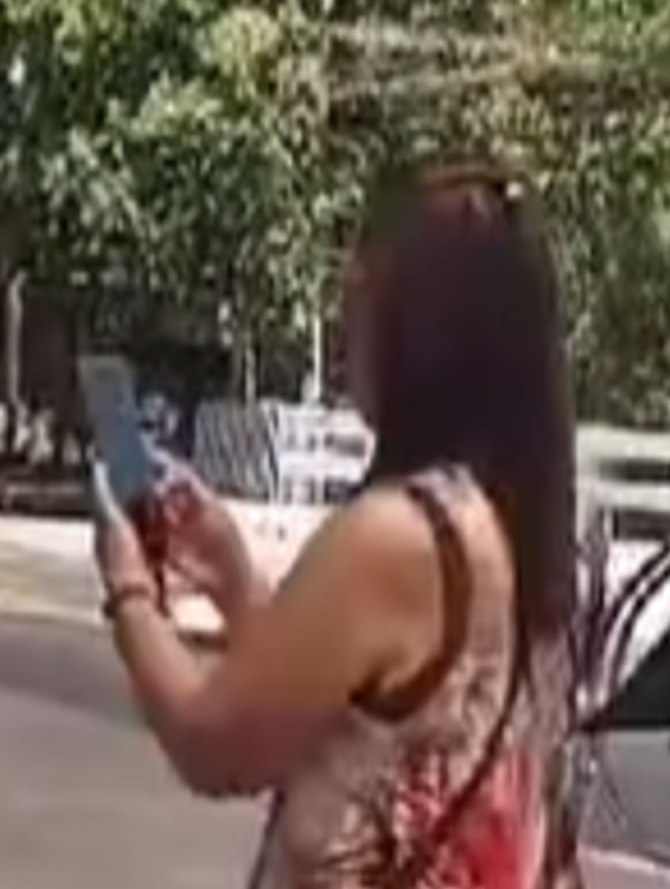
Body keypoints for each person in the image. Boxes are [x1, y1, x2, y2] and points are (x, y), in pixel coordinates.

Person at [93, 162, 580, 889]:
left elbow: (217, 744)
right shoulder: (513, 522)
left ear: (425, 334)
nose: (343, 327)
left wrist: (128, 588)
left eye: (361, 299)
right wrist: (233, 578)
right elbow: (345, 716)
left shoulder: (398, 537)